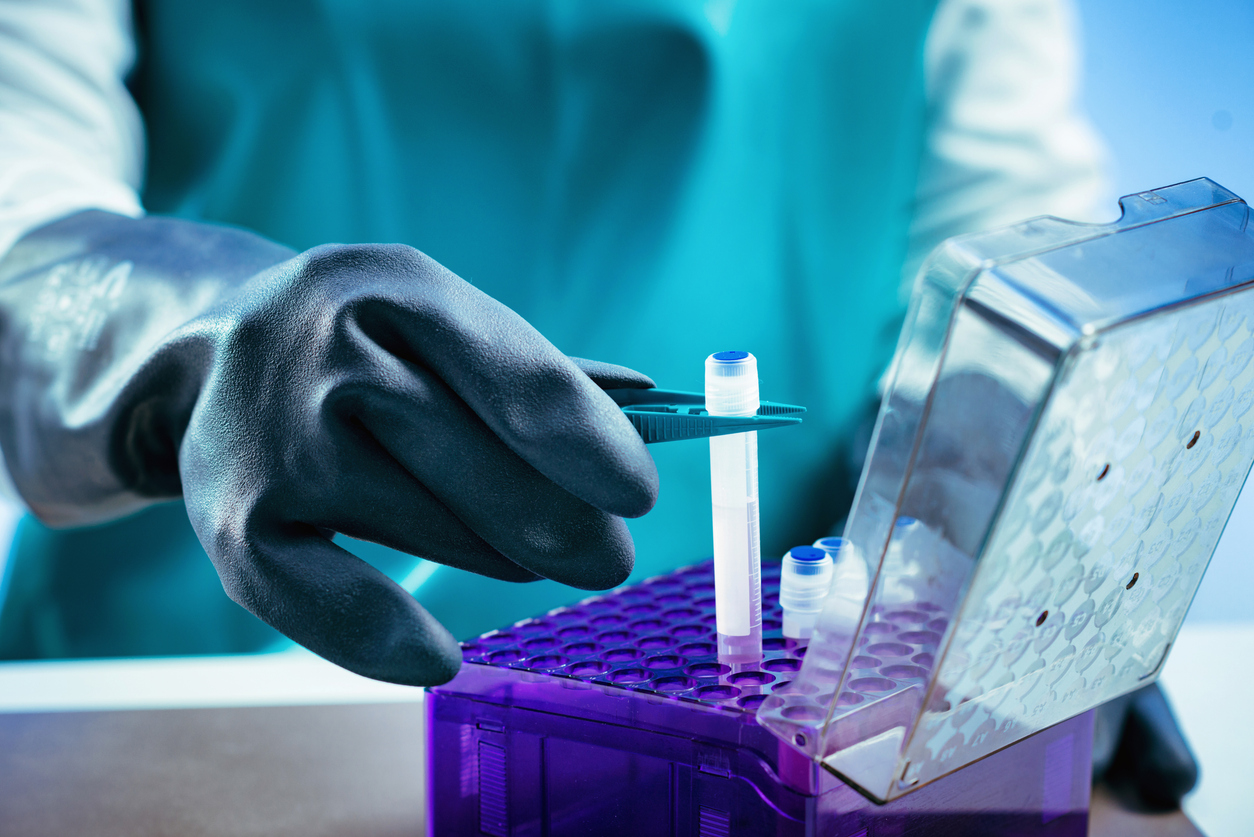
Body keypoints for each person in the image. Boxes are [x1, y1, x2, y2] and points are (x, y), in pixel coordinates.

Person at [0, 0, 1197, 807]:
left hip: (755, 726)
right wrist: (182, 338)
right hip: (190, 689)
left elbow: (988, 233)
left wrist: (1017, 528)